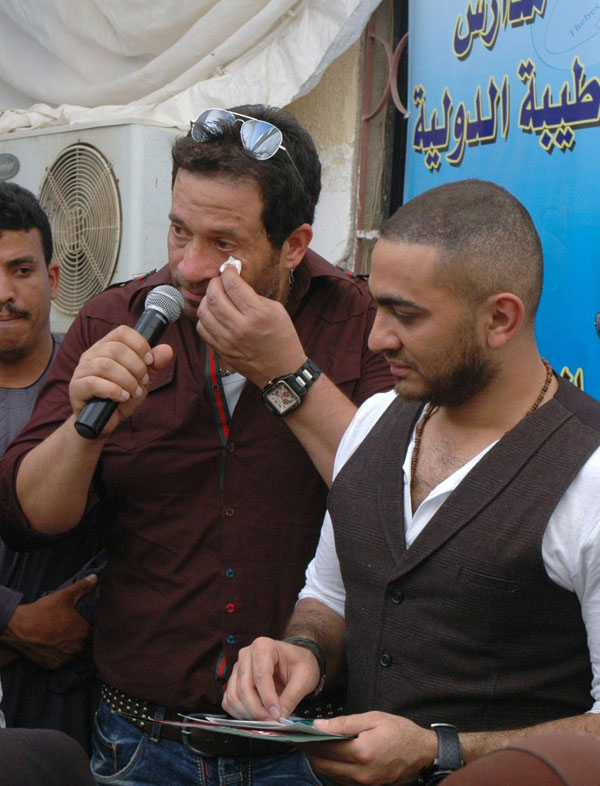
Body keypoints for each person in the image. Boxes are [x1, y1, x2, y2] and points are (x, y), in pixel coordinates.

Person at [0, 105, 392, 784]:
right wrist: (84, 433)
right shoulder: (115, 318)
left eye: (222, 243)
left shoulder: (360, 322)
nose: (188, 265)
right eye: (180, 230)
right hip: (140, 739)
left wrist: (287, 374)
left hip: (309, 744)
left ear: (293, 244)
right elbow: (27, 517)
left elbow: (400, 509)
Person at [222, 179, 600, 785]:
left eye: (406, 314)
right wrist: (303, 651)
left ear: (500, 318)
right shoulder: (373, 422)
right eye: (377, 307)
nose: (378, 338)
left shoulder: (590, 474)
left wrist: (437, 749)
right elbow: (331, 597)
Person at [0, 182, 105, 754]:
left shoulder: (101, 385)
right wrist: (12, 620)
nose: (5, 293)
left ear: (55, 278)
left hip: (80, 690)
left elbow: (149, 520)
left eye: (21, 270)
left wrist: (85, 614)